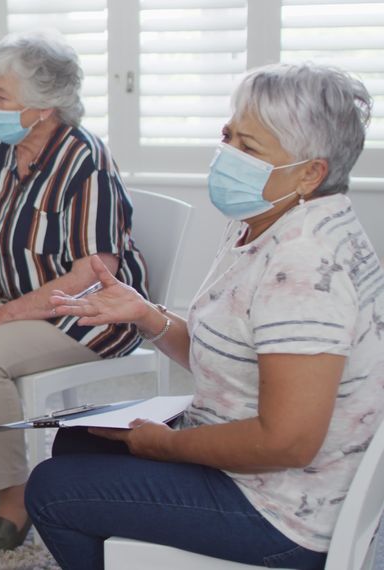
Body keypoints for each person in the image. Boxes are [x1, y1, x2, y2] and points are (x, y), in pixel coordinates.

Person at [26, 63, 383, 570]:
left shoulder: (305, 263)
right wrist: (148, 317)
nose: (228, 156)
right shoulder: (268, 220)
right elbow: (235, 356)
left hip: (282, 511)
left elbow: (288, 441)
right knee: (76, 441)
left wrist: (168, 446)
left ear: (311, 172)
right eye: (228, 136)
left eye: (250, 148)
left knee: (53, 490)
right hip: (261, 471)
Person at [0, 31, 149, 552]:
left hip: (87, 311)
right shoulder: (8, 151)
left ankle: (15, 496)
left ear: (43, 108)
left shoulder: (85, 159)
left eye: (1, 95)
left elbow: (91, 272)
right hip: (20, 298)